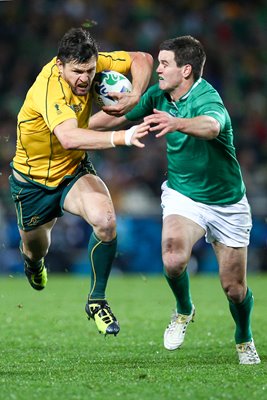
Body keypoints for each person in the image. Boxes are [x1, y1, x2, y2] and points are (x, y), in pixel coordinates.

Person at [89, 35, 261, 364]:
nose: (158, 69)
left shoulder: (207, 98)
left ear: (186, 70)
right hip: (184, 195)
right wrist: (72, 127)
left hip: (227, 203)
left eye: (164, 63)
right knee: (172, 258)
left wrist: (177, 122)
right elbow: (121, 116)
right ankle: (184, 309)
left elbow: (212, 126)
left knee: (234, 289)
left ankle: (243, 337)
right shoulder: (158, 94)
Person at [9, 27, 153, 337]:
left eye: (89, 70)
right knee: (36, 249)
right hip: (32, 181)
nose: (85, 79)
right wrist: (122, 136)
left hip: (73, 170)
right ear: (60, 65)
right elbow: (69, 137)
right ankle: (33, 265)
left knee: (106, 221)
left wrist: (137, 94)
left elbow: (143, 59)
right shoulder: (49, 86)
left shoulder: (96, 64)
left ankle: (97, 300)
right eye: (76, 72)